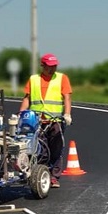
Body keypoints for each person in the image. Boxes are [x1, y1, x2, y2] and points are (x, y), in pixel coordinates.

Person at [19, 53, 73, 188]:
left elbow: (67, 97)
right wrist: (21, 114)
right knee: (39, 149)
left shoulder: (62, 78)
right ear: (42, 66)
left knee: (56, 148)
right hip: (37, 121)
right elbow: (27, 98)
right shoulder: (34, 79)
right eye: (49, 66)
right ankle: (41, 174)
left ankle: (54, 176)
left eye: (54, 66)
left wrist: (67, 114)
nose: (52, 69)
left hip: (55, 120)